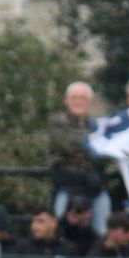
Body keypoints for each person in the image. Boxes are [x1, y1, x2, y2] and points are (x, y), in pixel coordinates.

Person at [48, 81, 110, 237]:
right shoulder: (57, 121)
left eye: (83, 98)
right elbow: (64, 144)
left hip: (95, 187)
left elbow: (106, 153)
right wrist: (92, 144)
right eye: (74, 97)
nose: (78, 101)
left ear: (91, 102)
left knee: (102, 231)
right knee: (61, 229)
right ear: (67, 100)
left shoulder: (100, 124)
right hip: (68, 184)